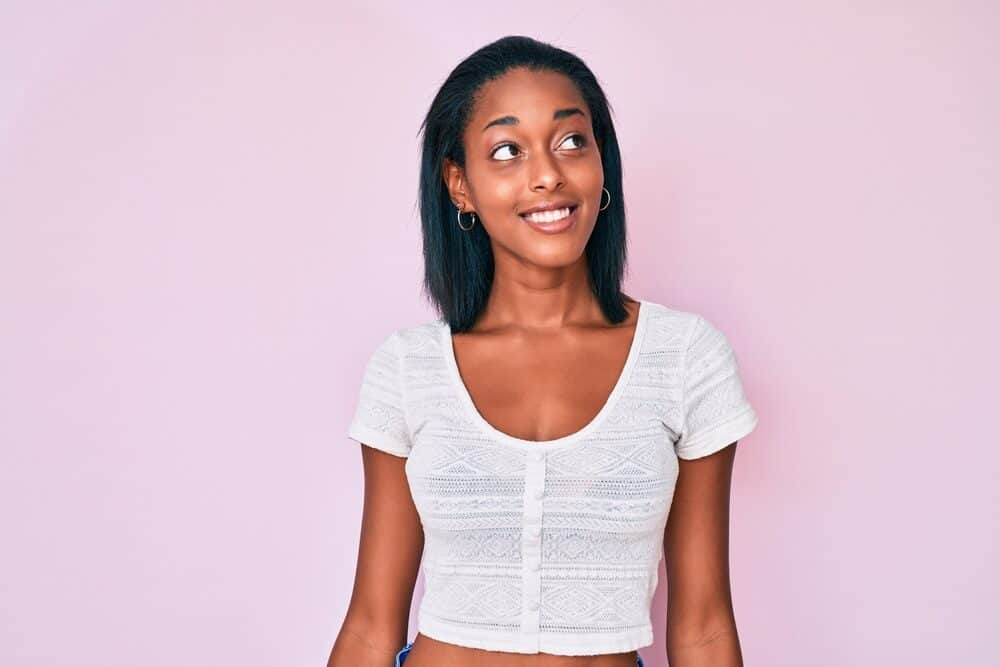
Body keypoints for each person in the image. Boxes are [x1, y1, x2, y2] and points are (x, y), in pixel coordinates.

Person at [328, 35, 759, 667]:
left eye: (572, 142)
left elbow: (703, 627)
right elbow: (370, 624)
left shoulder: (685, 358)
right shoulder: (407, 369)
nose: (547, 174)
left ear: (601, 163)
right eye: (507, 151)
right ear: (460, 186)